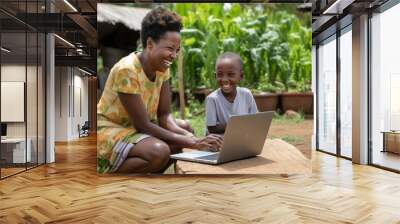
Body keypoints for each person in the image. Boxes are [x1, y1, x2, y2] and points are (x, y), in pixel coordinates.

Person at [97, 7, 223, 174]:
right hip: (111, 130)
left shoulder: (163, 68)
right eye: (170, 49)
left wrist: (190, 137)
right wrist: (192, 142)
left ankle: (148, 175)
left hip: (137, 129)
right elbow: (143, 125)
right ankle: (108, 175)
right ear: (150, 44)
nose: (174, 55)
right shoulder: (127, 70)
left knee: (185, 129)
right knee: (159, 151)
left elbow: (164, 115)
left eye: (177, 51)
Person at [205, 52, 258, 135]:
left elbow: (255, 119)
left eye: (230, 74)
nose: (225, 79)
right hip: (218, 141)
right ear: (215, 76)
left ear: (241, 76)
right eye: (220, 74)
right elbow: (211, 128)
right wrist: (237, 125)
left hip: (241, 138)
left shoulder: (246, 94)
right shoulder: (212, 99)